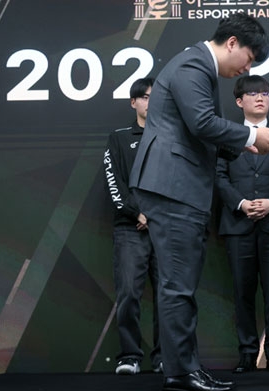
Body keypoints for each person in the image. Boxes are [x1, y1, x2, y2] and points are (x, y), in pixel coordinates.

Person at [128, 13, 269, 391]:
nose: (247, 69)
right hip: (172, 186)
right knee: (178, 285)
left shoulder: (197, 66)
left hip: (180, 187)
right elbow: (201, 123)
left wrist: (245, 142)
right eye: (249, 59)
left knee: (180, 283)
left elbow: (201, 130)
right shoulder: (193, 65)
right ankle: (181, 374)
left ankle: (186, 368)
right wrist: (251, 136)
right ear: (232, 43)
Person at [215, 75, 269, 374]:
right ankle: (247, 354)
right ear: (240, 101)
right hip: (238, 224)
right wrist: (241, 203)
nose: (260, 98)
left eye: (265, 93)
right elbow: (219, 176)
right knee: (242, 292)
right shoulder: (227, 138)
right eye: (253, 94)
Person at [103, 77, 163, 375]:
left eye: (156, 97)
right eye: (146, 97)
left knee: (169, 295)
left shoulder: (171, 136)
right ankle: (130, 356)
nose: (151, 102)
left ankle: (165, 356)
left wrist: (156, 215)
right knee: (128, 292)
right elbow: (113, 181)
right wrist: (137, 213)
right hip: (130, 228)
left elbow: (178, 180)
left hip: (164, 228)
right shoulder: (118, 137)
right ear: (134, 102)